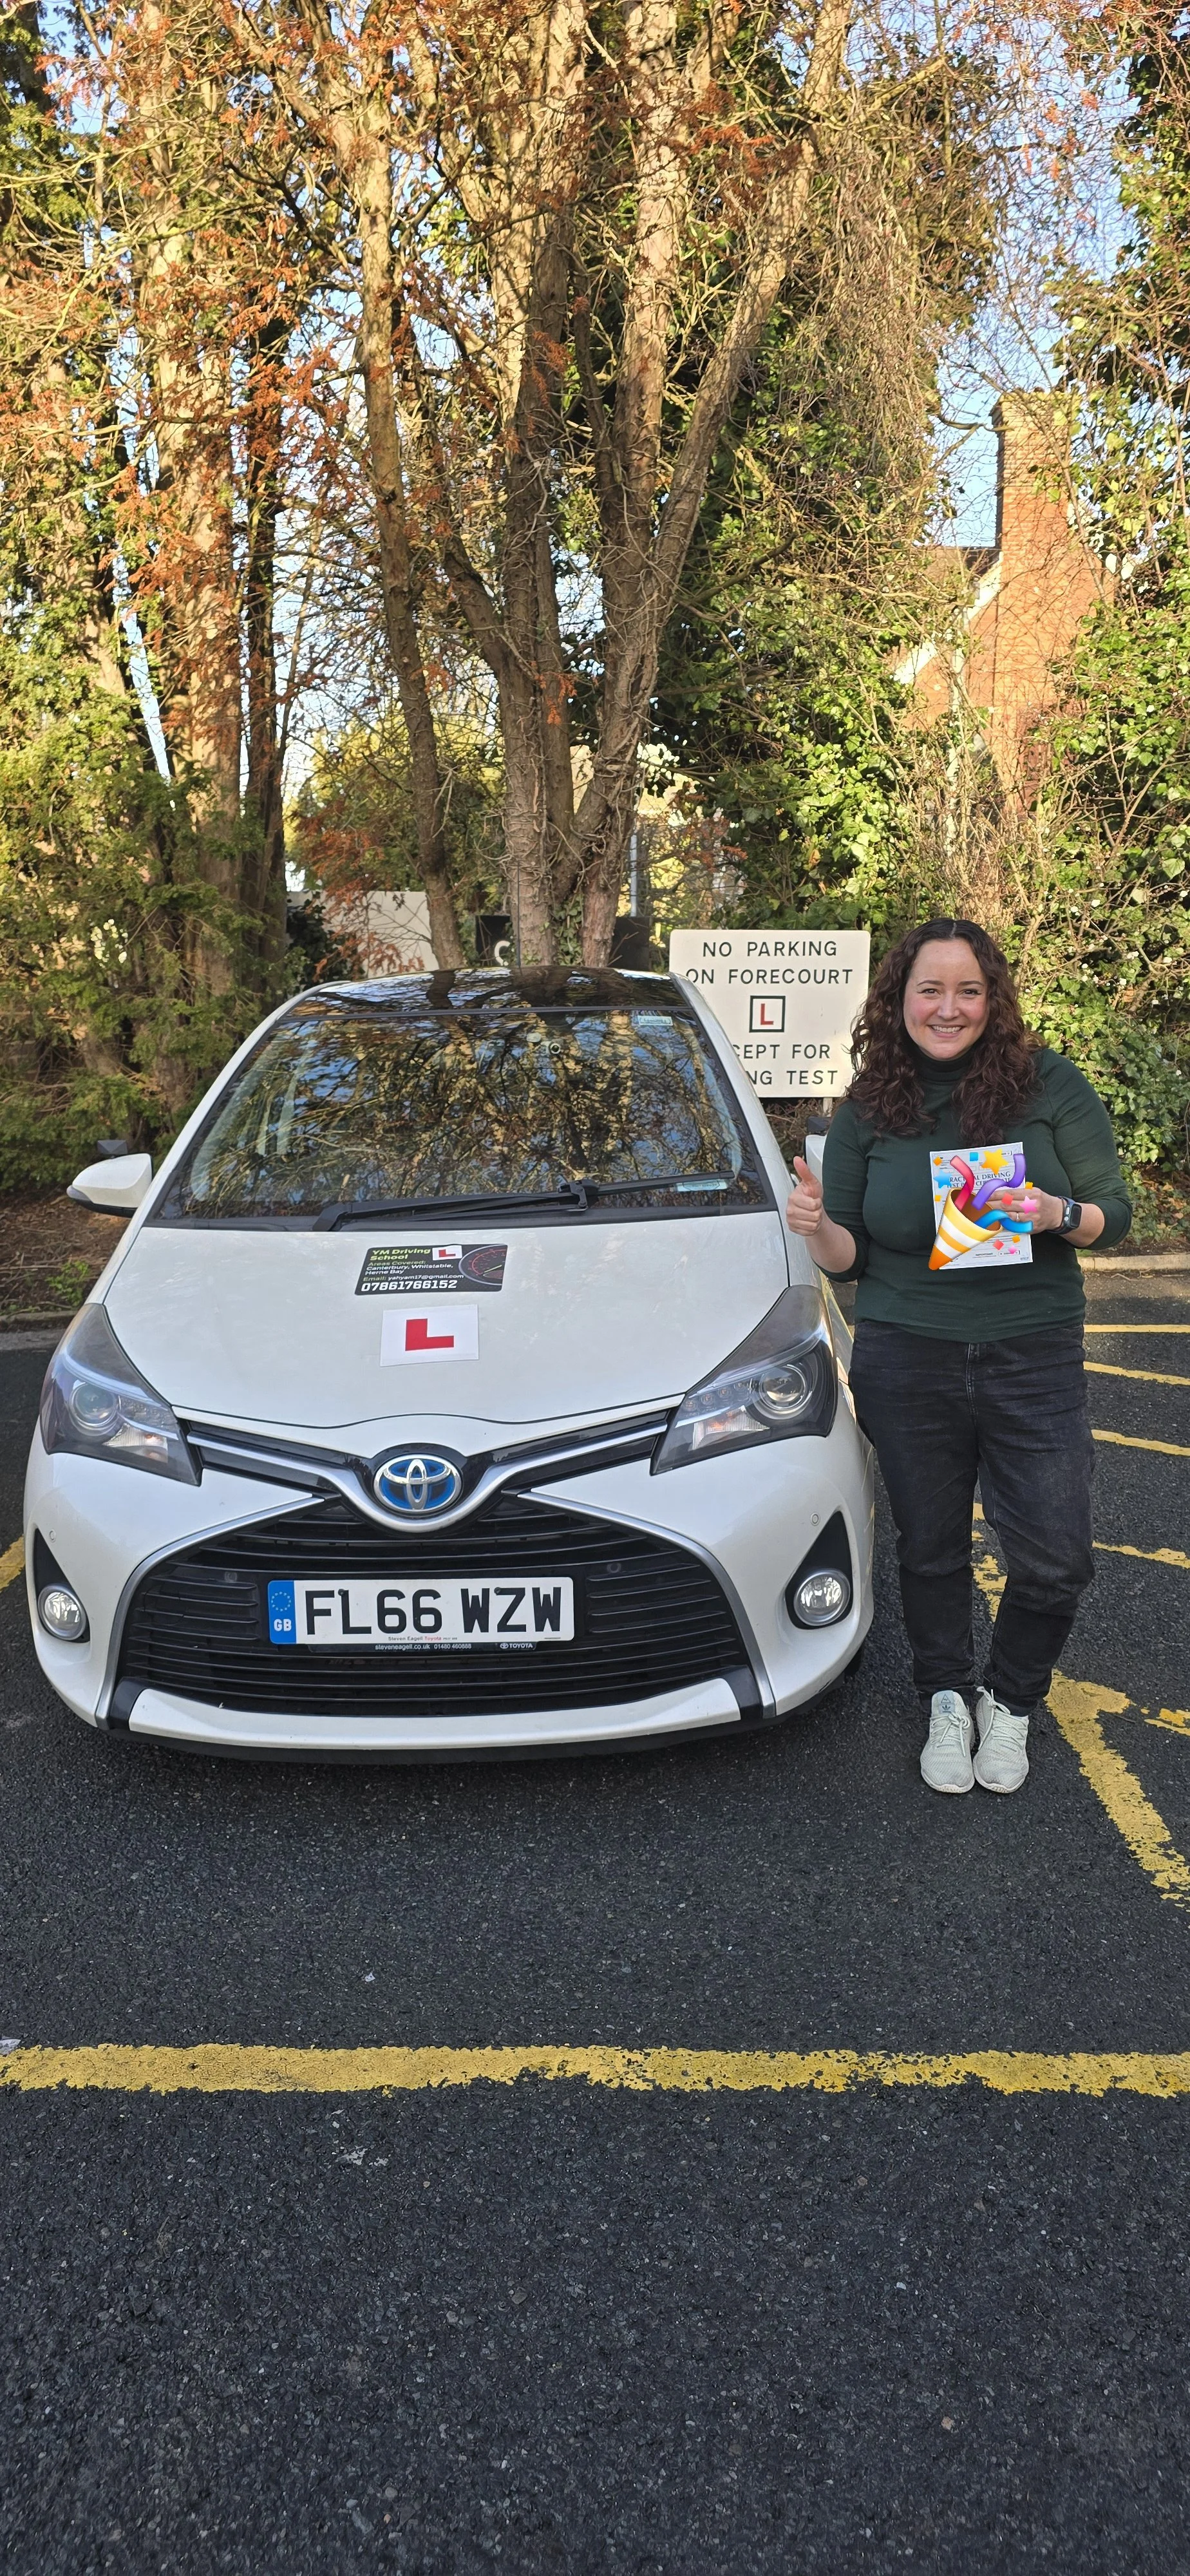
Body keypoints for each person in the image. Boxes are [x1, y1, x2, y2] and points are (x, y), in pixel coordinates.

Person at [784, 917, 1131, 1796]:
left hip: (1033, 1352)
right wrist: (815, 1225)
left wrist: (1056, 1214)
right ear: (897, 1001)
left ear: (993, 998)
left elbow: (1112, 1215)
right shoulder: (868, 1105)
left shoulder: (1050, 1084)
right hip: (908, 1355)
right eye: (929, 990)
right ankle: (945, 1693)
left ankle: (1010, 1701)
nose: (949, 1008)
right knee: (931, 1549)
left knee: (1057, 1556)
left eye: (967, 990)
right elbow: (851, 1257)